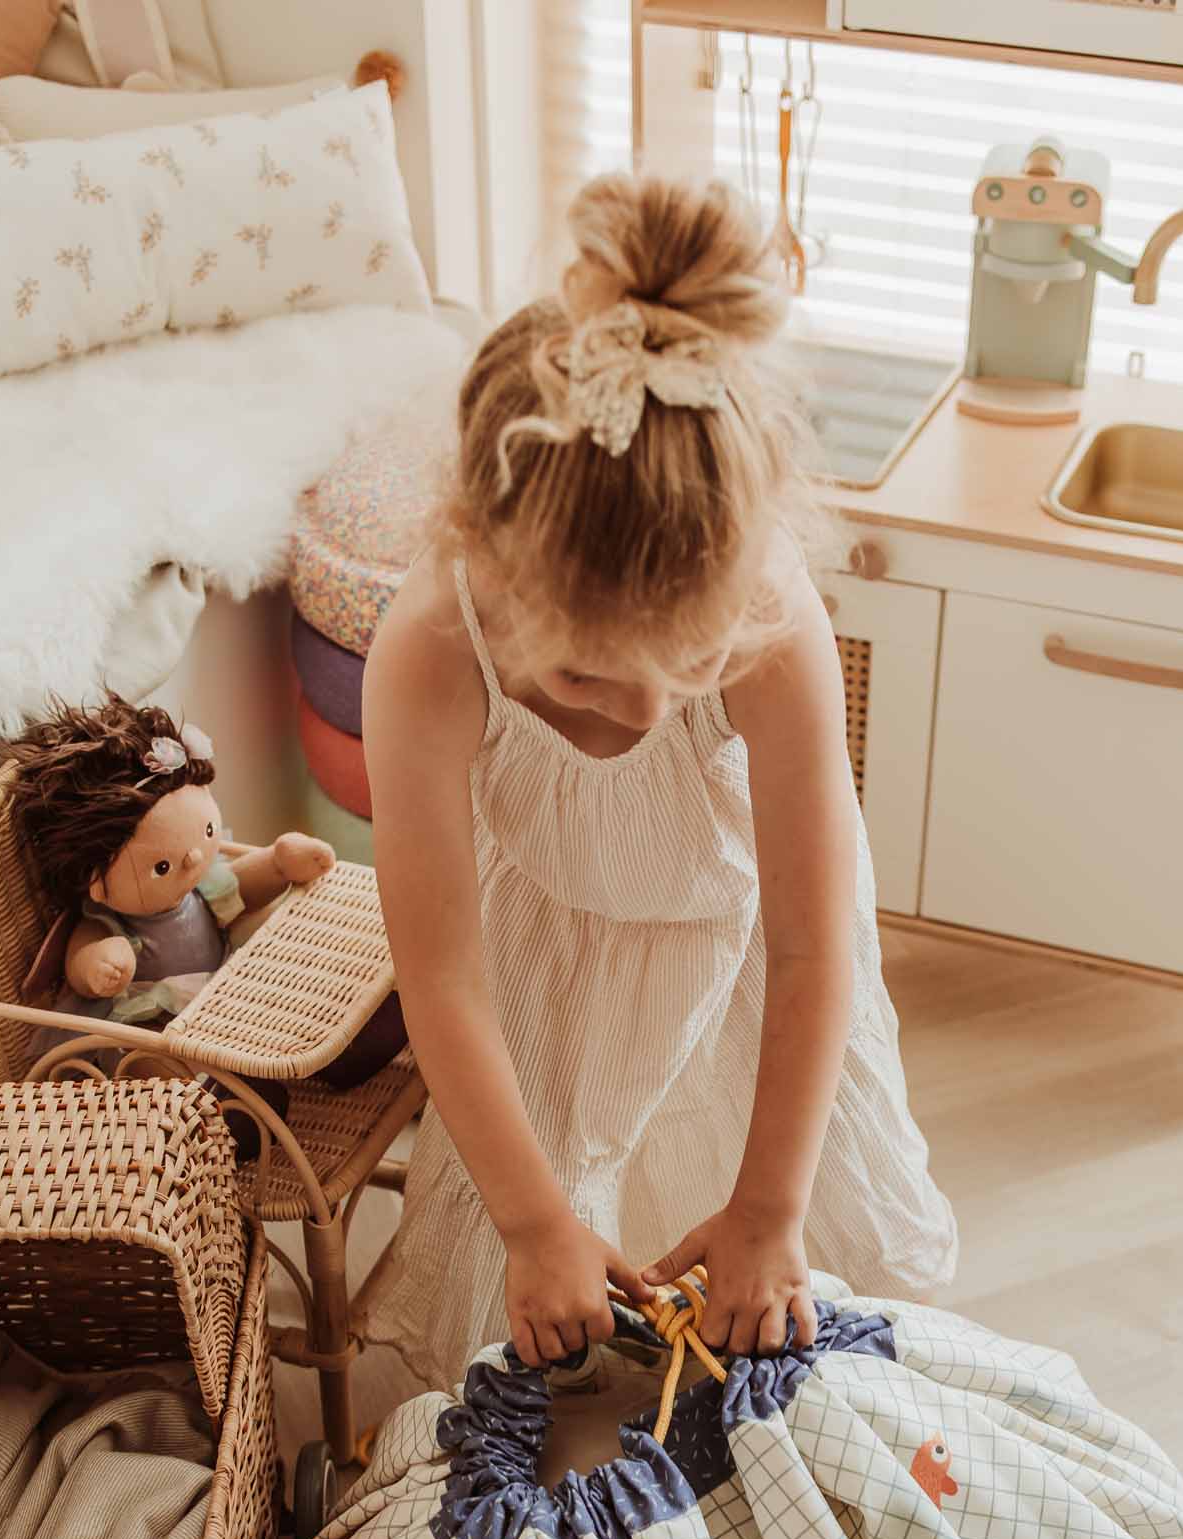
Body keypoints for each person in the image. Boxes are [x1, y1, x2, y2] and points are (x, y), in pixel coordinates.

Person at [358, 172, 955, 1385]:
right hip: (548, 958)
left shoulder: (773, 616)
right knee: (549, 1312)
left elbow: (806, 944)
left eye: (684, 674)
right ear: (484, 559)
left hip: (746, 960)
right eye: (584, 680)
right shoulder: (427, 648)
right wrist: (534, 1224)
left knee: (793, 1287)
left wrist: (768, 1215)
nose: (638, 712)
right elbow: (441, 974)